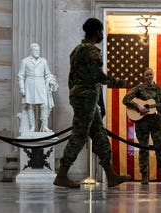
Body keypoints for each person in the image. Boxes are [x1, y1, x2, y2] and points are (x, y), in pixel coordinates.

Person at [53, 17, 131, 188]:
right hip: (86, 98)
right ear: (97, 32)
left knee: (99, 135)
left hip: (82, 97)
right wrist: (121, 83)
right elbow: (99, 77)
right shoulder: (91, 51)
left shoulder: (76, 50)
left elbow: (72, 77)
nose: (102, 35)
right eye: (101, 32)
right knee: (80, 135)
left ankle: (111, 175)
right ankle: (61, 174)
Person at [122, 68, 161, 185]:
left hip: (156, 122)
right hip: (142, 123)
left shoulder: (159, 90)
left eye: (151, 74)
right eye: (147, 75)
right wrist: (138, 107)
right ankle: (144, 175)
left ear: (153, 75)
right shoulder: (139, 89)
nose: (149, 77)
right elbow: (126, 99)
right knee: (143, 148)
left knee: (160, 147)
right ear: (144, 77)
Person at [18, 43, 58, 133]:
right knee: (30, 106)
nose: (37, 52)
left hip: (41, 84)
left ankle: (44, 126)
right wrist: (22, 88)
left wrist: (50, 81)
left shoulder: (43, 61)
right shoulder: (25, 61)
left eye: (38, 50)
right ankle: (32, 126)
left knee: (44, 104)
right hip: (30, 84)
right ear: (31, 51)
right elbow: (21, 75)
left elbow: (47, 73)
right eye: (35, 50)